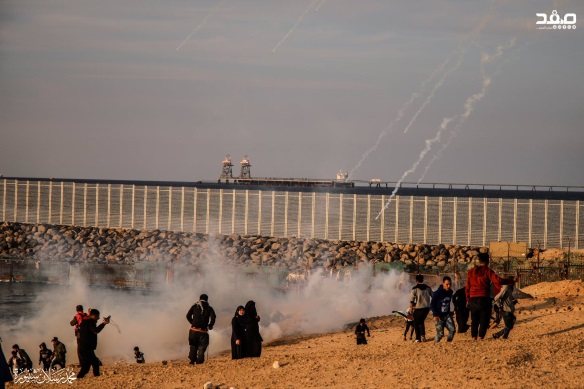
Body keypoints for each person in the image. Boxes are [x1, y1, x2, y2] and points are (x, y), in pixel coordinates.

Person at [465, 252, 515, 340]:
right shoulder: (488, 271)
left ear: (479, 261)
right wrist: (510, 281)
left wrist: (468, 299)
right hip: (484, 298)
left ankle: (473, 337)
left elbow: (467, 287)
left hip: (473, 299)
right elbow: (498, 281)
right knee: (484, 319)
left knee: (474, 319)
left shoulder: (471, 272)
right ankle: (480, 337)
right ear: (488, 261)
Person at [76, 309, 110, 378]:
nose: (99, 318)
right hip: (86, 348)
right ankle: (79, 377)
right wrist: (103, 323)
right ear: (94, 316)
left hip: (86, 347)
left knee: (95, 363)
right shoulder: (89, 322)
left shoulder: (86, 321)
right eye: (98, 316)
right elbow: (95, 331)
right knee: (86, 367)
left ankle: (97, 377)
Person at [186, 294, 216, 365]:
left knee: (193, 345)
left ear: (199, 299)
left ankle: (192, 361)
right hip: (203, 331)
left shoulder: (195, 306)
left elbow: (188, 316)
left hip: (193, 330)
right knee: (202, 347)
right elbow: (213, 317)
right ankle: (199, 361)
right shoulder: (209, 308)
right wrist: (210, 325)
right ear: (207, 299)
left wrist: (193, 323)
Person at [430, 276, 456, 343]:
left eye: (450, 284)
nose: (449, 286)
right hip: (439, 316)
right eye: (447, 284)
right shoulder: (437, 293)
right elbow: (432, 304)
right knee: (440, 334)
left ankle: (448, 343)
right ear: (443, 283)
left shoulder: (450, 292)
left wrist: (451, 311)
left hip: (447, 315)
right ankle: (435, 344)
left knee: (452, 330)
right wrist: (435, 315)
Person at [409, 274, 433, 342]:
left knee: (416, 323)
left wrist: (411, 308)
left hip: (419, 308)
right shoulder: (428, 288)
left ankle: (418, 338)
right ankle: (423, 336)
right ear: (423, 280)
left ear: (416, 281)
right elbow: (433, 296)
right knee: (421, 321)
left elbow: (412, 300)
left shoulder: (415, 289)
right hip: (426, 309)